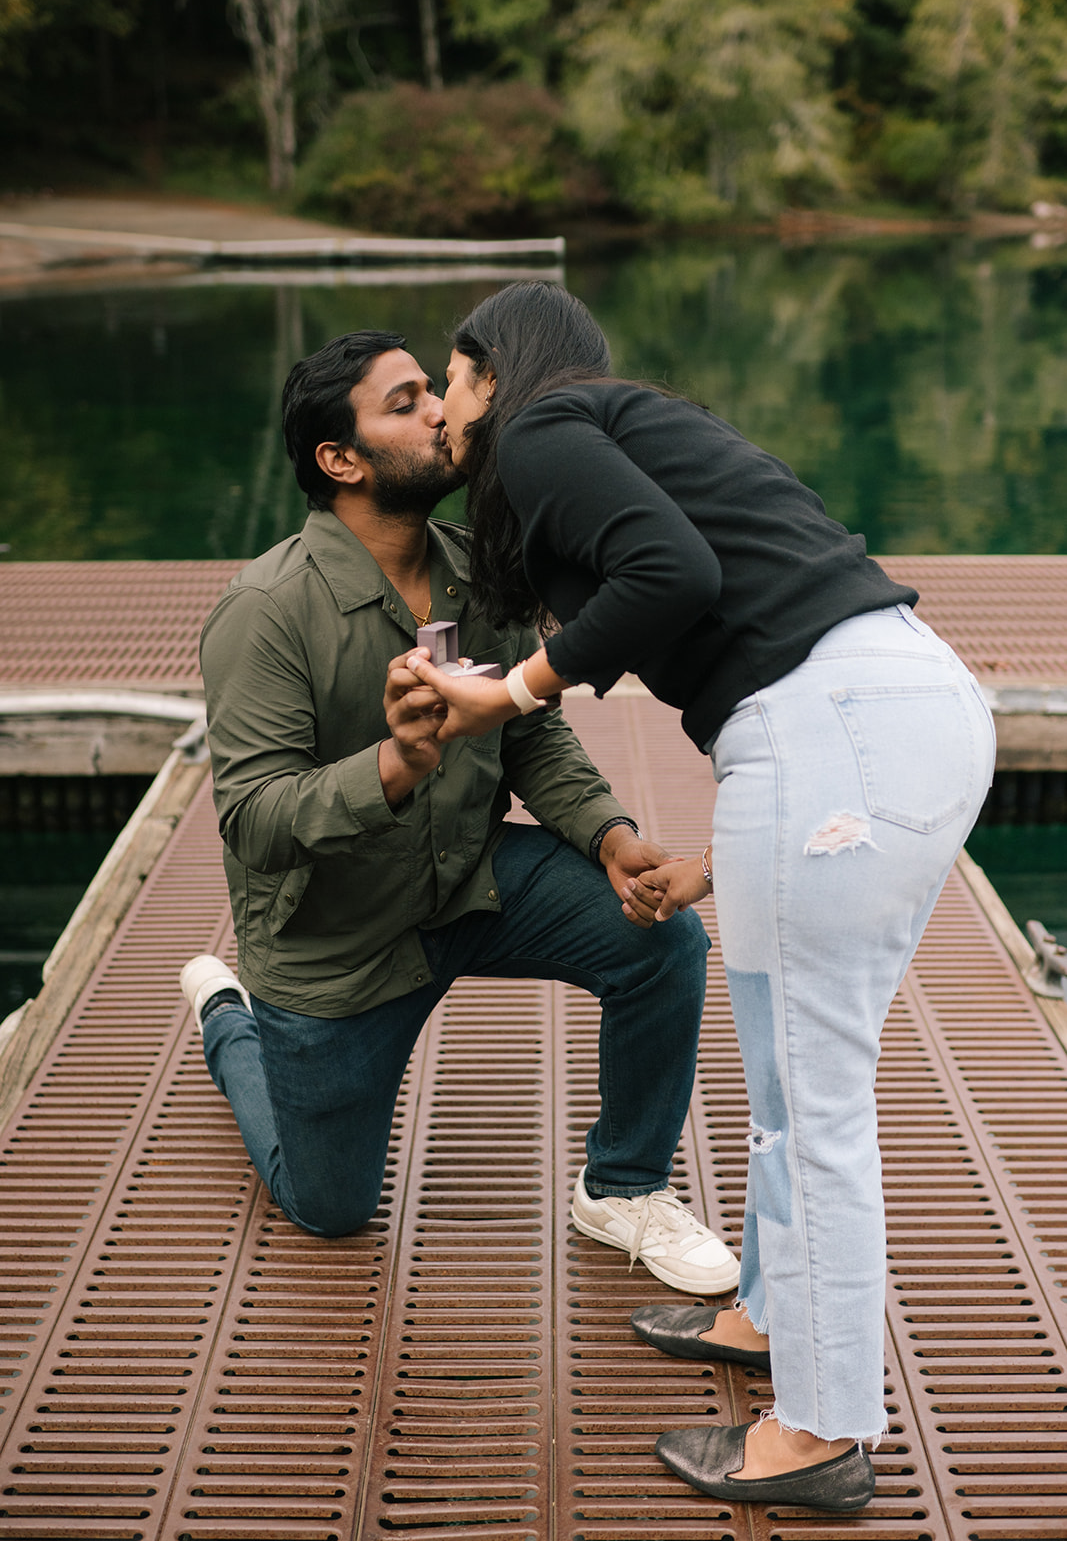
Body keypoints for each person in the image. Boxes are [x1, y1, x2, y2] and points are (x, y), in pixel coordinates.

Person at [406, 281, 997, 1513]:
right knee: (791, 1088)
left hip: (830, 726)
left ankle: (820, 1434)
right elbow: (721, 581)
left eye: (449, 382)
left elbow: (670, 571)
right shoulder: (619, 428)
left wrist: (510, 690)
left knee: (815, 1103)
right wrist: (728, 864)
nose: (444, 412)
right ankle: (768, 1314)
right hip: (883, 715)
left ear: (493, 372)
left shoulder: (541, 429)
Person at [180, 326, 742, 1300]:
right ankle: (229, 1016)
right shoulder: (264, 610)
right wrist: (397, 763)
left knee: (663, 940)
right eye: (403, 403)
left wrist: (607, 835)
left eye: (428, 392)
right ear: (339, 460)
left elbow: (529, 736)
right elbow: (256, 821)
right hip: (336, 940)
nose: (440, 409)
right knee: (329, 1207)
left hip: (472, 881)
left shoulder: (475, 566)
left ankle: (623, 1186)